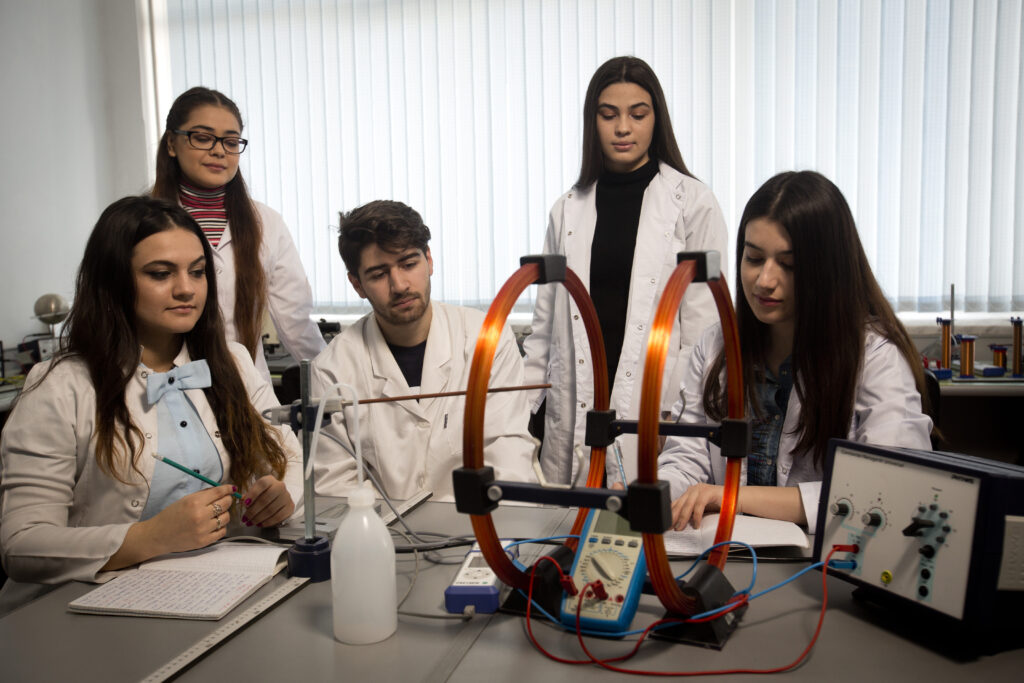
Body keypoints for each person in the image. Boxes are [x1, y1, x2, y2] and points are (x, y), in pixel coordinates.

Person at [0, 197, 302, 614]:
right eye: (161, 274)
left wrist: (281, 499)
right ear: (114, 282)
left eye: (198, 272)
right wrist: (152, 537)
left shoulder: (232, 362)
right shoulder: (59, 386)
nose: (186, 288)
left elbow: (291, 460)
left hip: (208, 593)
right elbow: (22, 544)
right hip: (75, 609)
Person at [658, 171, 933, 534]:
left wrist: (732, 497)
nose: (764, 280)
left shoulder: (874, 356)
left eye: (788, 265)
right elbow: (686, 458)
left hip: (818, 566)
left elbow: (895, 487)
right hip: (722, 553)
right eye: (754, 258)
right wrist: (658, 495)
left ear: (826, 271)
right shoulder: (717, 345)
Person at [522, 56, 729, 487]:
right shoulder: (567, 208)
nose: (623, 128)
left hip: (655, 408)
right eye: (608, 115)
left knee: (638, 536)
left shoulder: (692, 202)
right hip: (575, 401)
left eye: (638, 114)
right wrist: (522, 412)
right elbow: (545, 326)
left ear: (657, 119)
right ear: (591, 121)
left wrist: (675, 416)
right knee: (570, 533)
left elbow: (703, 329)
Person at [310, 200, 537, 501]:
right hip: (382, 539)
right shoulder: (332, 370)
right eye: (378, 274)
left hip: (481, 528)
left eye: (408, 263)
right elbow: (335, 486)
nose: (400, 285)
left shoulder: (486, 340)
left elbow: (508, 457)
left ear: (429, 260)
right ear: (357, 285)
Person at [152, 86, 325, 381]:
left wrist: (338, 386)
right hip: (165, 387)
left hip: (247, 389)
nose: (219, 150)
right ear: (171, 143)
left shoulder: (266, 223)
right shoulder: (139, 223)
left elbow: (297, 323)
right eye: (203, 137)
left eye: (231, 142)